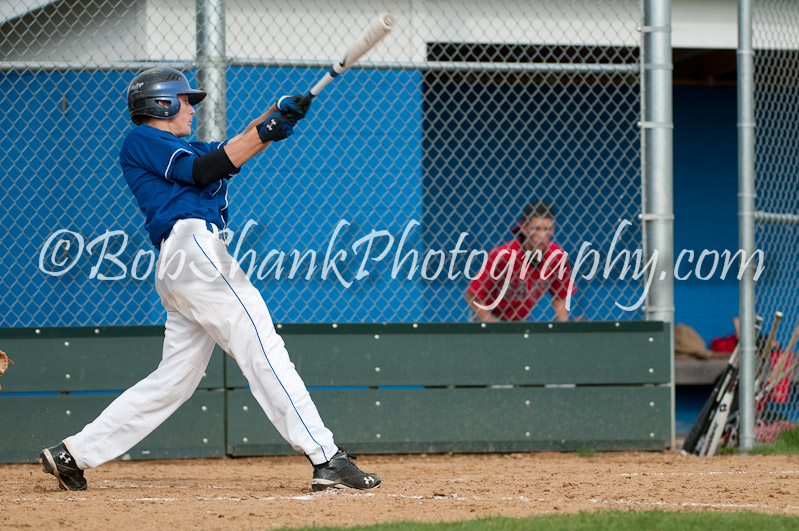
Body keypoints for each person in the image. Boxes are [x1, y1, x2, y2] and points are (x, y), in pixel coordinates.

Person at [39, 67, 380, 493]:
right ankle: (326, 456)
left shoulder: (180, 146)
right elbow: (204, 170)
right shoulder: (145, 140)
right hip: (194, 253)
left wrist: (276, 114)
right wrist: (266, 131)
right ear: (159, 103)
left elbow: (231, 148)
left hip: (184, 263)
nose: (191, 109)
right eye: (184, 101)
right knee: (262, 346)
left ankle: (74, 453)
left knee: (175, 378)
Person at [465, 200, 575, 322]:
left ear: (553, 229)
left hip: (518, 322)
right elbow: (472, 296)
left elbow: (560, 296)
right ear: (524, 228)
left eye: (547, 229)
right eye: (536, 228)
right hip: (488, 316)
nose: (542, 235)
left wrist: (562, 328)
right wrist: (495, 327)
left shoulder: (556, 257)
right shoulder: (504, 255)